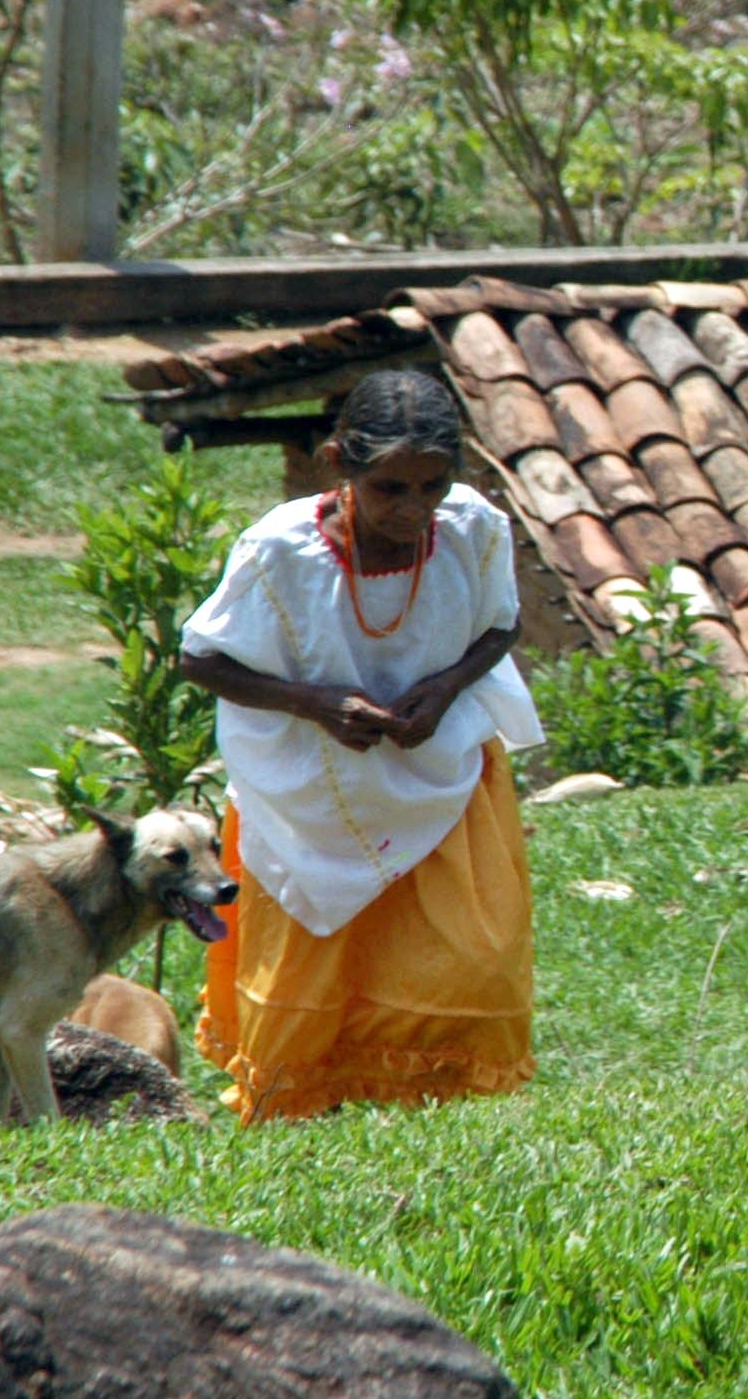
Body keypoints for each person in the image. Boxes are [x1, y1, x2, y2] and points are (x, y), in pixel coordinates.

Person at [179, 369, 545, 1123]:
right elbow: (201, 659)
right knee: (313, 982)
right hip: (306, 801)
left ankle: (433, 1112)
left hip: (438, 781)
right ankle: (296, 1115)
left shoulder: (473, 528)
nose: (415, 512)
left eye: (433, 488)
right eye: (391, 490)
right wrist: (314, 703)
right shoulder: (280, 550)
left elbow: (501, 625)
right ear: (337, 461)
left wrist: (444, 691)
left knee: (468, 966)